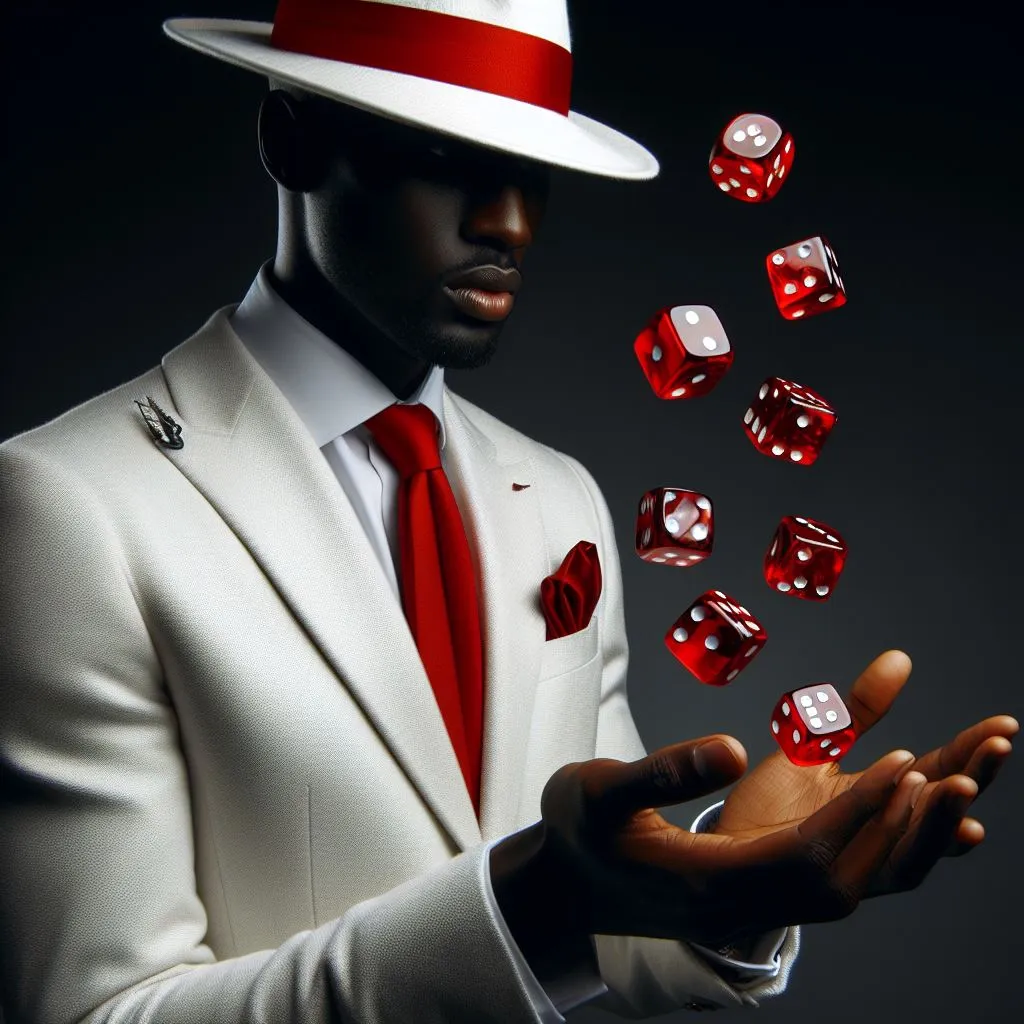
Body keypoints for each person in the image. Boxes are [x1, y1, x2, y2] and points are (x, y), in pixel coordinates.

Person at [0, 2, 1016, 1022]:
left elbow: (602, 932)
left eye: (531, 169)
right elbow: (97, 1012)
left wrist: (726, 882)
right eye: (448, 156)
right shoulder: (73, 506)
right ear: (293, 139)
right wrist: (532, 904)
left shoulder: (556, 493)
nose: (511, 224)